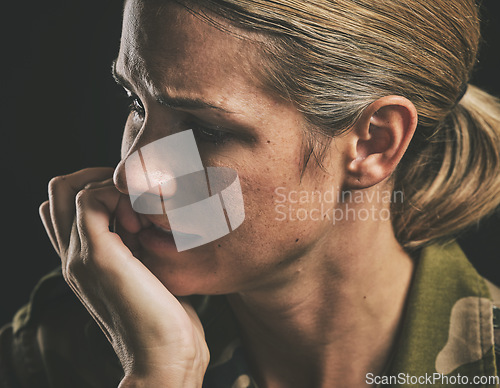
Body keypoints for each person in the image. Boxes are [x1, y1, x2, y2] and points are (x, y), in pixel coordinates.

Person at [1, 0, 500, 387]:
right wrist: (161, 373)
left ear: (373, 144)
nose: (133, 177)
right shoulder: (65, 353)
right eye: (136, 101)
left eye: (204, 130)